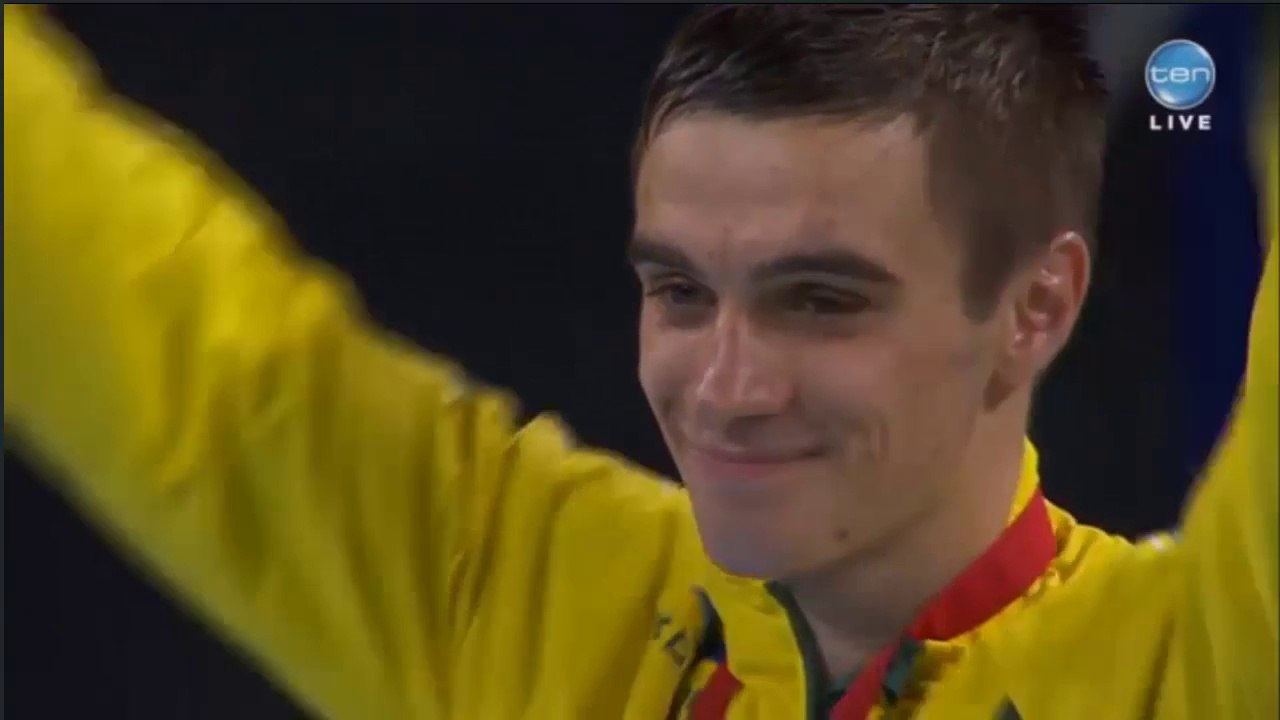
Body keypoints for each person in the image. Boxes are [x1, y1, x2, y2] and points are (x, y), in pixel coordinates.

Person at [4, 4, 1276, 719]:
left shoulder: (1194, 671)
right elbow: (191, 352)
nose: (723, 387)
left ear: (1032, 307)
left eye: (819, 302)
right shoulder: (539, 601)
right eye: (678, 289)